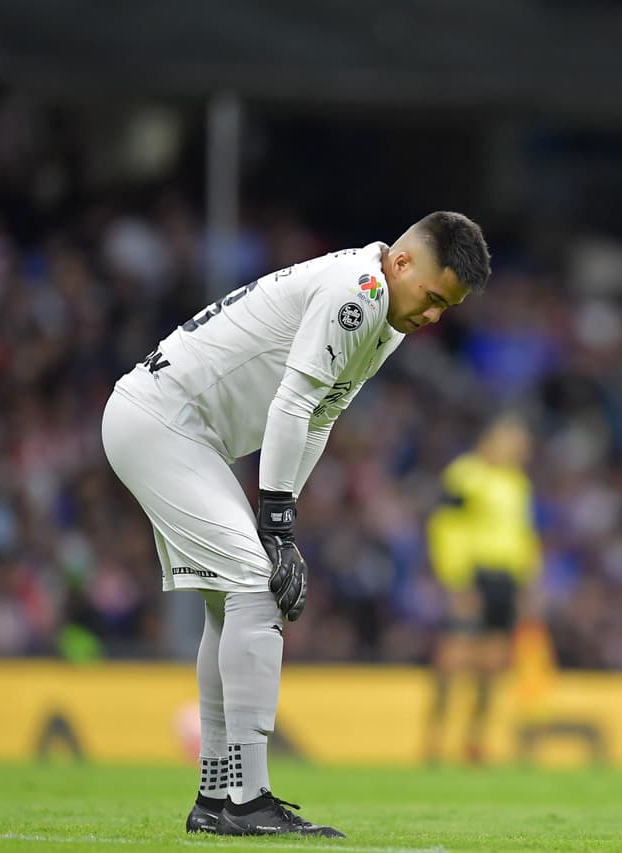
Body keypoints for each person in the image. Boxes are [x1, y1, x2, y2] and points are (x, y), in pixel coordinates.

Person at [101, 212, 490, 836]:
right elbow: (293, 404)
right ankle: (248, 800)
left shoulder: (383, 314)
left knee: (232, 602)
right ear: (403, 263)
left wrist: (280, 522)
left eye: (449, 307)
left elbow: (318, 419)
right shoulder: (358, 294)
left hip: (180, 432)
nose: (434, 317)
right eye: (434, 298)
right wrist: (277, 527)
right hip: (161, 422)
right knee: (256, 587)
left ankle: (216, 796)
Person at [423, 414, 543, 764]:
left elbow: (524, 535)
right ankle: (435, 739)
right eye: (516, 443)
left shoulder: (517, 483)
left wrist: (527, 580)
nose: (521, 451)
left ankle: (474, 741)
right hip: (474, 576)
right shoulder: (465, 475)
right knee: (452, 658)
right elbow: (446, 527)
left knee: (492, 662)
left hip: (506, 580)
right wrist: (456, 581)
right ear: (493, 440)